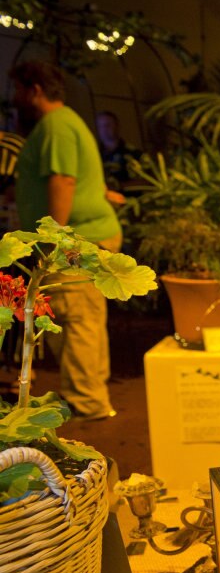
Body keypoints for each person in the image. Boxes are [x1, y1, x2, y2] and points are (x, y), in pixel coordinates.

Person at [8, 60, 121, 421]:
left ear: (34, 90)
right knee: (82, 318)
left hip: (78, 239)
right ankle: (90, 396)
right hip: (85, 235)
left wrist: (53, 238)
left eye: (18, 89)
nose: (14, 98)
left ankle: (87, 402)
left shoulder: (56, 126)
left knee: (75, 320)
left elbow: (63, 181)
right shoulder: (64, 122)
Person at [94, 110, 137, 190]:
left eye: (108, 125)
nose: (104, 129)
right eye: (100, 126)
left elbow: (148, 180)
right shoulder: (94, 155)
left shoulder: (132, 153)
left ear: (117, 126)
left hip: (129, 200)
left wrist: (119, 186)